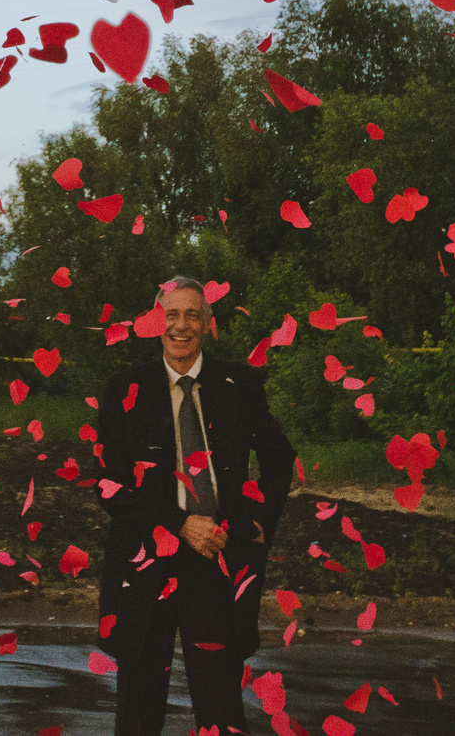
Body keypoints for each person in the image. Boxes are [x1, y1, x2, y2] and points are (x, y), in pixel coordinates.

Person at [94, 276, 295, 736]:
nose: (180, 326)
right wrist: (181, 523)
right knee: (138, 710)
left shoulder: (240, 384)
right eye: (171, 315)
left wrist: (258, 526)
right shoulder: (124, 389)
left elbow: (279, 459)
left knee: (221, 703)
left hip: (217, 559)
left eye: (191, 315)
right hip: (146, 564)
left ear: (207, 324)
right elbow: (108, 483)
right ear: (154, 323)